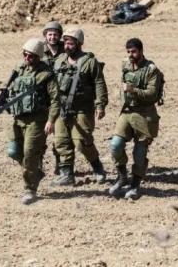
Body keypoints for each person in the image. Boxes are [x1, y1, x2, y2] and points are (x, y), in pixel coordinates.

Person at [46, 28, 108, 186]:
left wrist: (100, 105)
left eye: (71, 43)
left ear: (79, 44)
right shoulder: (60, 60)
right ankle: (67, 174)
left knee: (82, 141)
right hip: (62, 108)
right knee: (61, 141)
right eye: (66, 43)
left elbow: (99, 83)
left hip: (82, 109)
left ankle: (98, 168)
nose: (67, 46)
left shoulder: (89, 62)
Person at [5, 38, 60, 204]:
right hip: (18, 119)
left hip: (37, 120)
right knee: (13, 151)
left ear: (38, 57)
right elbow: (9, 92)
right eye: (25, 54)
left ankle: (30, 189)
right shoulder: (18, 70)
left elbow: (55, 100)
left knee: (30, 154)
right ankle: (35, 172)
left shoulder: (46, 74)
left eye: (30, 56)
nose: (26, 58)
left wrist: (51, 121)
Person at [108, 38, 163, 200]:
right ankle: (122, 176)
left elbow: (152, 95)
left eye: (133, 52)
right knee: (115, 145)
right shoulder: (125, 65)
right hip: (127, 112)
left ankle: (135, 184)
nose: (130, 55)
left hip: (144, 114)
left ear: (141, 51)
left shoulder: (151, 70)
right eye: (128, 52)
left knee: (139, 153)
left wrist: (133, 90)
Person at [41, 21, 64, 175]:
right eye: (50, 34)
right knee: (39, 136)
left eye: (55, 34)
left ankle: (60, 164)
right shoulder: (39, 50)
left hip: (61, 97)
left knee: (60, 137)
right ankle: (38, 165)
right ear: (45, 35)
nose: (52, 37)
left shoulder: (66, 50)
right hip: (44, 98)